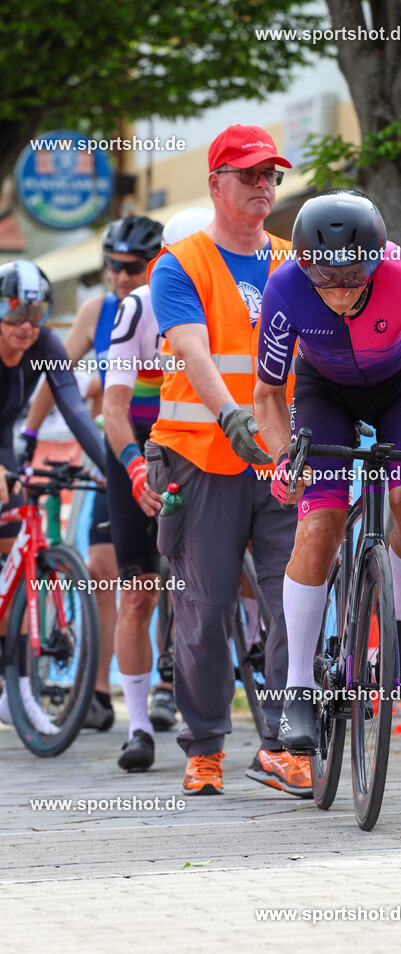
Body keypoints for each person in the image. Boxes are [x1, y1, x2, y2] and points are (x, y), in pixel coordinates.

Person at [253, 188, 401, 754]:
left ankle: (399, 612)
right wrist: (285, 457)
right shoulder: (285, 286)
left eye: (353, 279)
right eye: (325, 281)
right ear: (305, 264)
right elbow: (266, 393)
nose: (338, 294)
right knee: (318, 526)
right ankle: (298, 692)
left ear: (377, 260)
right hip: (322, 393)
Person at [147, 123, 310, 798]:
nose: (263, 186)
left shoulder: (295, 260)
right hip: (199, 459)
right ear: (214, 184)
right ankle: (206, 744)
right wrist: (231, 415)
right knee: (205, 608)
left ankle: (278, 742)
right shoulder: (179, 262)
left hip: (280, 461)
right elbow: (192, 351)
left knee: (290, 602)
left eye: (270, 174)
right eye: (248, 175)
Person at [21, 216, 163, 731]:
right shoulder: (95, 311)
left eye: (131, 268)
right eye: (112, 267)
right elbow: (54, 379)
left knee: (185, 565)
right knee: (108, 567)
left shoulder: (171, 303)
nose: (120, 277)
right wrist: (29, 438)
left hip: (177, 448)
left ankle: (168, 684)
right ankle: (101, 693)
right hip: (119, 451)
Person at [102, 208, 214, 772]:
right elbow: (113, 409)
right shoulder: (137, 307)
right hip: (138, 444)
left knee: (214, 576)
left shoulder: (233, 298)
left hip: (197, 446)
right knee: (140, 589)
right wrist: (135, 468)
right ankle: (139, 725)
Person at [0, 260, 106, 728]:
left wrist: (117, 472)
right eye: (16, 314)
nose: (27, 326)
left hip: (5, 442)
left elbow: (76, 412)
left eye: (37, 313)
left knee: (15, 556)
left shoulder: (43, 343)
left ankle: (16, 692)